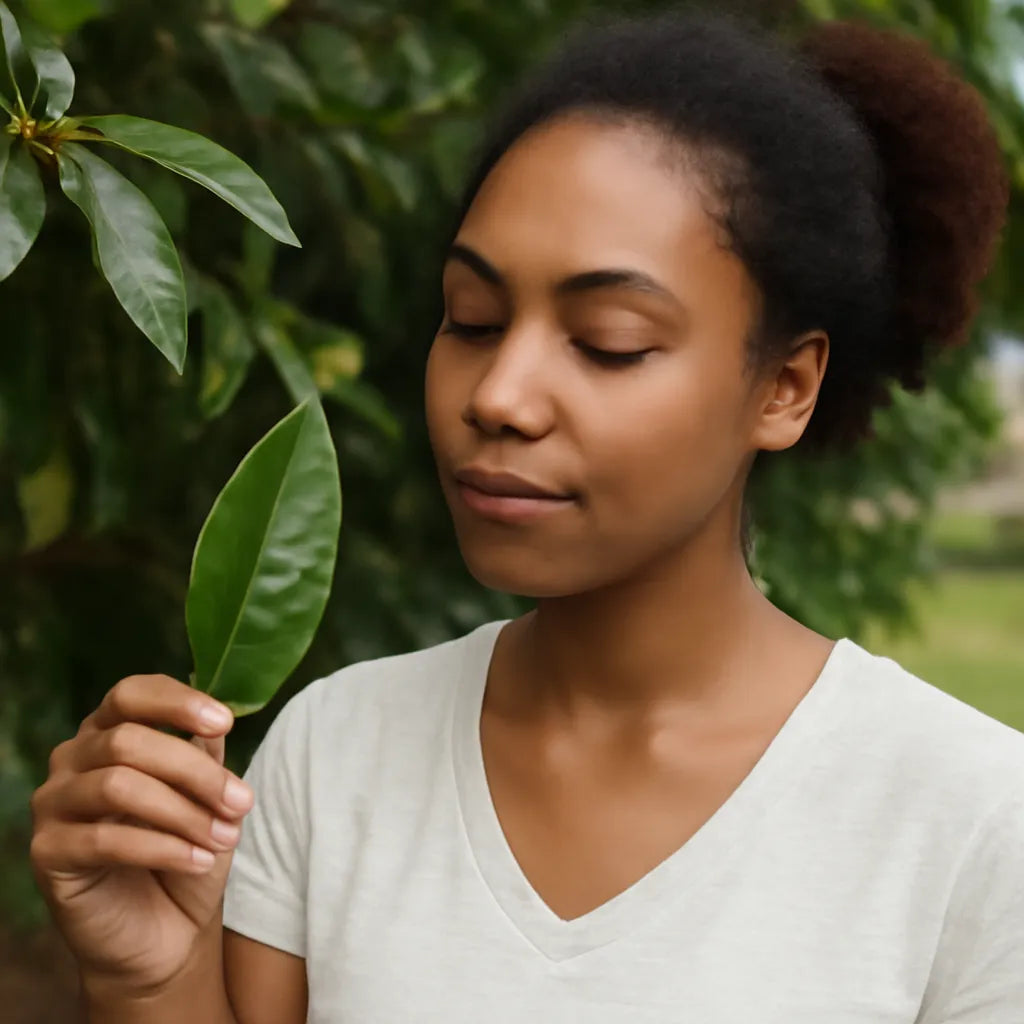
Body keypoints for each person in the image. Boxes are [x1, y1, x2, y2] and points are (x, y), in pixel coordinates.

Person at [29, 8, 1023, 1023]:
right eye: (472, 319)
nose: (498, 394)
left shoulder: (968, 823)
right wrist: (147, 979)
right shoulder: (337, 756)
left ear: (784, 386)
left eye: (607, 340)